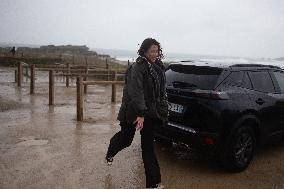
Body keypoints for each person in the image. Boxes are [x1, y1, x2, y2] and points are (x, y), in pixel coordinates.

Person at [106, 38, 168, 189]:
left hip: (150, 113)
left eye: (156, 51)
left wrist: (162, 110)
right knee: (126, 139)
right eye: (151, 51)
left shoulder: (159, 67)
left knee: (148, 148)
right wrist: (140, 113)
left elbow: (161, 92)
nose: (154, 54)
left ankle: (154, 184)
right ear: (144, 51)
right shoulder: (137, 67)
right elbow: (136, 92)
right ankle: (111, 151)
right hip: (133, 111)